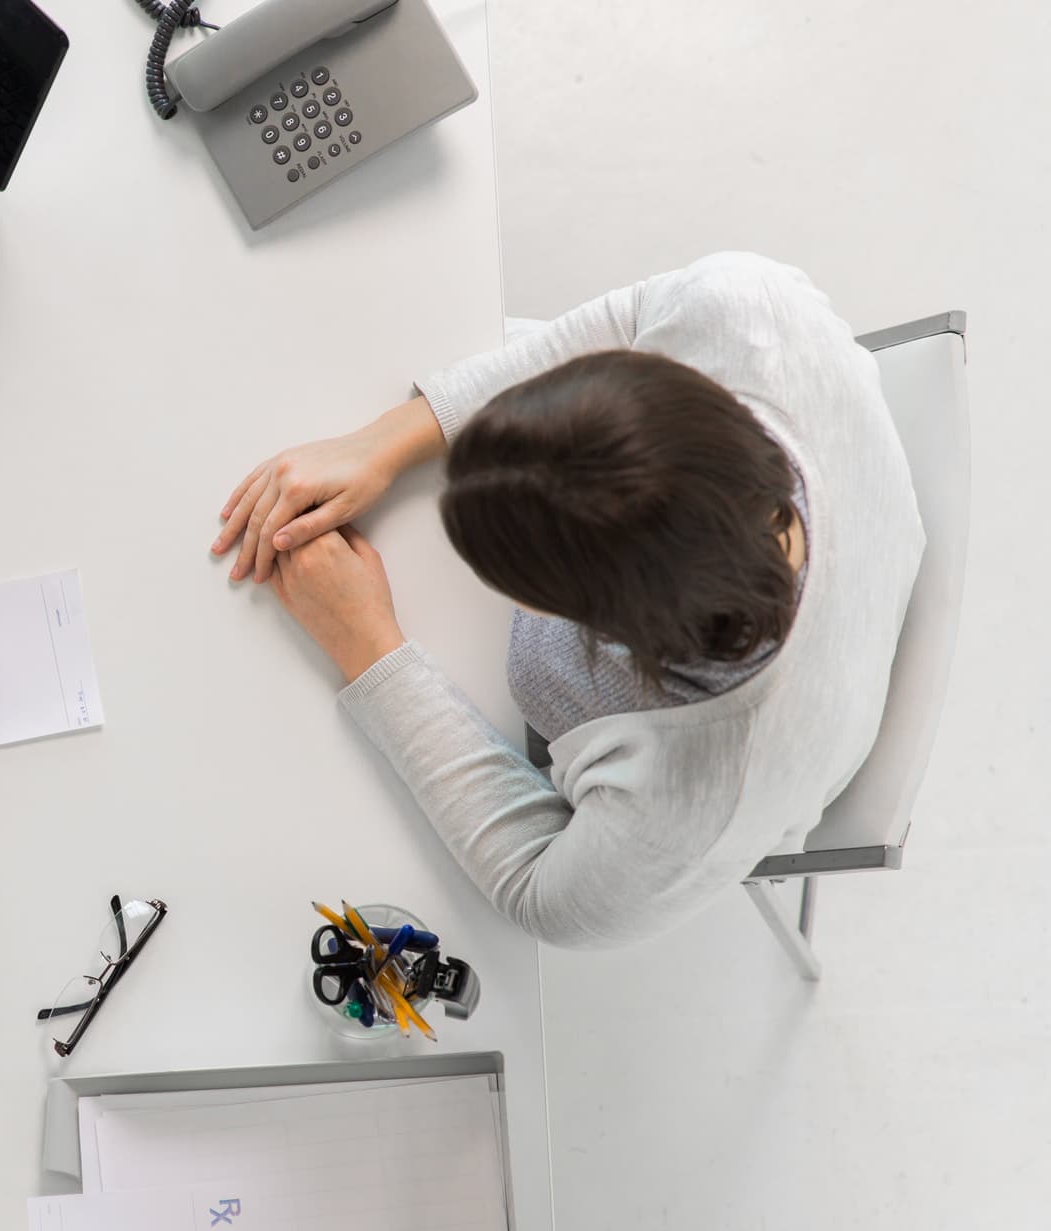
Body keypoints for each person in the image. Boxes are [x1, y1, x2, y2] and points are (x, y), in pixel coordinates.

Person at [212, 253, 922, 947]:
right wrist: (386, 442)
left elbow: (538, 894)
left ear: (594, 627)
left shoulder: (696, 795)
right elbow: (634, 315)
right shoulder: (748, 310)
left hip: (757, 737)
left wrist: (367, 644)